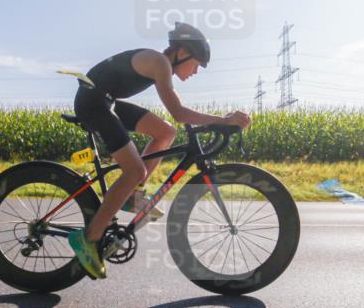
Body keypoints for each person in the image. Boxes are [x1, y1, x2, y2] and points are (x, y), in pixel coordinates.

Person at [67, 22, 251, 280]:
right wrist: (223, 120)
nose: (196, 71)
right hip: (93, 103)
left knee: (166, 132)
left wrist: (217, 121)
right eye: (197, 64)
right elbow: (178, 112)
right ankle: (88, 239)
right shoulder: (160, 63)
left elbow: (176, 116)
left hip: (104, 100)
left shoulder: (159, 64)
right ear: (182, 52)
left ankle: (131, 195)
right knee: (134, 170)